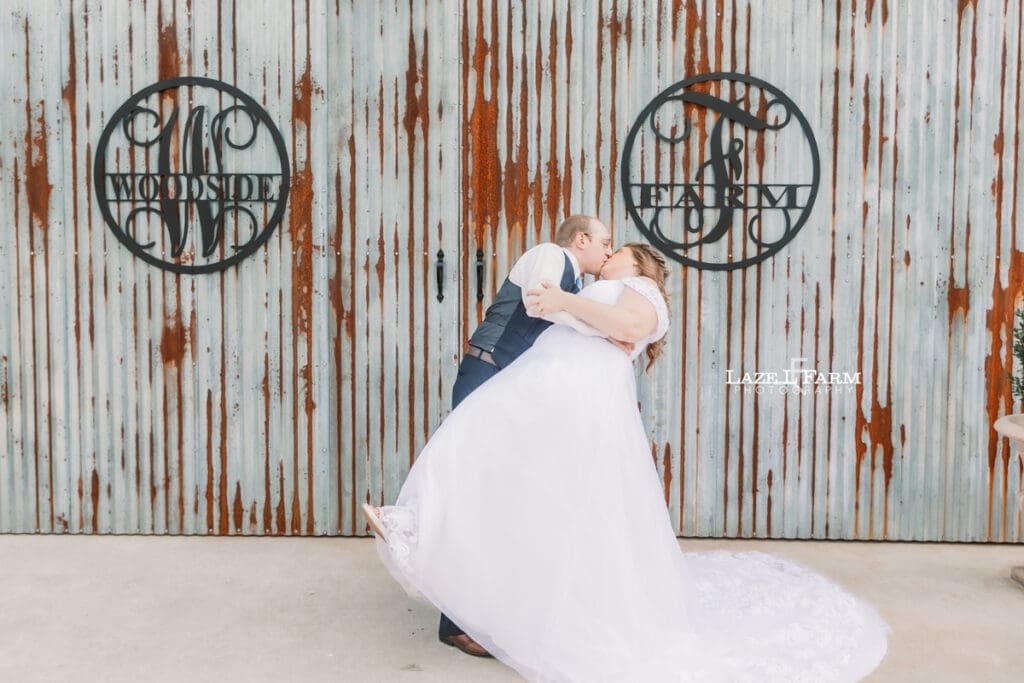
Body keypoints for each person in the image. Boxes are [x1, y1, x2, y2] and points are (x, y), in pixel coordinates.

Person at [363, 243, 890, 681]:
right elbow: (596, 324)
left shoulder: (644, 292)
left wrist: (570, 300)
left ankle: (423, 532)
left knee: (487, 456)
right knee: (479, 454)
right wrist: (563, 305)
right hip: (540, 386)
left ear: (639, 264)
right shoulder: (600, 289)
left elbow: (628, 326)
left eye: (618, 251)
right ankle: (419, 528)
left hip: (570, 395)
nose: (608, 253)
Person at [433, 214, 615, 657]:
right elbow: (538, 304)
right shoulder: (551, 256)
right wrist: (600, 325)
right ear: (582, 239)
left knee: (497, 498)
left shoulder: (574, 285)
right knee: (476, 492)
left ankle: (478, 608)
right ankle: (453, 621)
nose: (609, 251)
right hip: (487, 371)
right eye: (606, 242)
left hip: (508, 385)